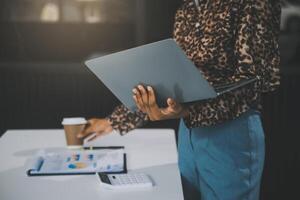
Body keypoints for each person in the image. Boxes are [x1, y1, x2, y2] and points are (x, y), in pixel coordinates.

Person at [78, 0, 281, 199]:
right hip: (188, 133)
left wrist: (187, 111)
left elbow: (254, 81)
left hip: (231, 133)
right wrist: (113, 121)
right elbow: (177, 78)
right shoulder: (188, 9)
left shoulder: (255, 3)